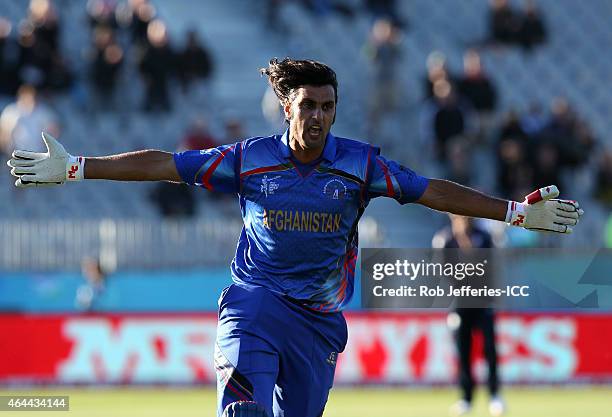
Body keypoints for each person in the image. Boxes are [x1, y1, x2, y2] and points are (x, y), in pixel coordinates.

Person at [6, 58, 583, 417]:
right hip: (253, 304)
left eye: (328, 107)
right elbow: (164, 164)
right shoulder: (249, 160)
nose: (318, 117)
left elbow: (429, 189)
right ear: (287, 107)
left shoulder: (359, 166)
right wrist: (80, 167)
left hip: (317, 322)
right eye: (307, 105)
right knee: (244, 412)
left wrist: (511, 211)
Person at [433, 215, 504, 416]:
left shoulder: (484, 236)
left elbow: (489, 267)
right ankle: (466, 398)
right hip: (460, 303)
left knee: (490, 349)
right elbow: (444, 272)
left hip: (483, 302)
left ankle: (495, 395)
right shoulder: (446, 239)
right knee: (463, 352)